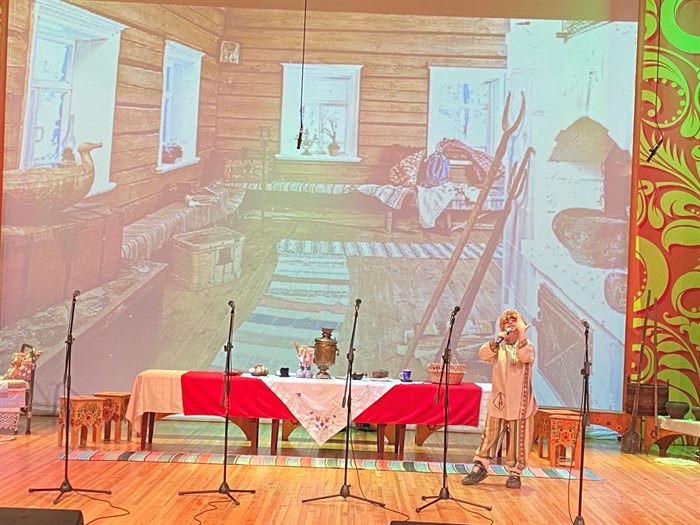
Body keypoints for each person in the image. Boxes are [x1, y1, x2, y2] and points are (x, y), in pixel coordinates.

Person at [462, 308, 537, 489]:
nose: (510, 323)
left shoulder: (527, 345)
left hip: (520, 402)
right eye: (506, 321)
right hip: (500, 400)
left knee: (519, 438)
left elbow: (524, 356)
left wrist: (521, 335)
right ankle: (480, 467)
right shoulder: (499, 347)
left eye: (514, 320)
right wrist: (497, 340)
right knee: (491, 434)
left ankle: (515, 473)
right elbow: (483, 354)